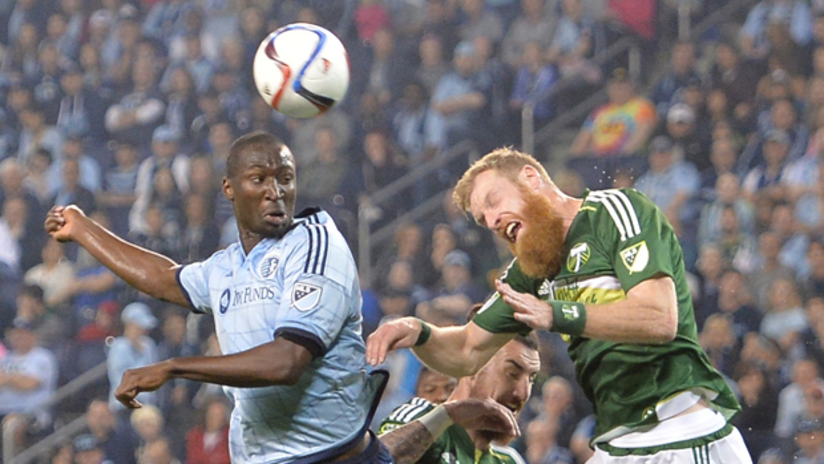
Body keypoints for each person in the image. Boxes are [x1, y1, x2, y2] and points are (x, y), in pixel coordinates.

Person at [367, 147, 752, 462]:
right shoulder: (532, 269)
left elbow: (659, 317)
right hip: (618, 444)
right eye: (485, 220)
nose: (493, 220)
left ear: (532, 178)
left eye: (494, 201)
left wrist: (556, 313)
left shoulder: (614, 211)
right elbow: (468, 349)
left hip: (683, 433)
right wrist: (419, 331)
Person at [45, 131, 393, 463]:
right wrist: (82, 229)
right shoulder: (227, 265)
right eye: (259, 179)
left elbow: (287, 361)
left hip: (332, 455)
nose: (275, 191)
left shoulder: (316, 244)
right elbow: (163, 279)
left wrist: (174, 367)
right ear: (229, 188)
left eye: (285, 178)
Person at [378, 335, 538, 464]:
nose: (523, 393)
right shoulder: (421, 417)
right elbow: (373, 459)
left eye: (531, 379)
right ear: (476, 367)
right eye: (512, 374)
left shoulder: (509, 460)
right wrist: (447, 415)